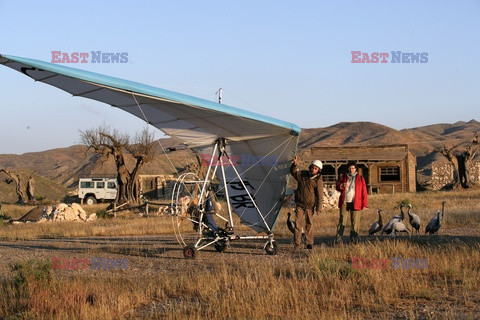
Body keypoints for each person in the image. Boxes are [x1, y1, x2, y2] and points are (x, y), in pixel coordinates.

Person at [290, 156, 323, 250]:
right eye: (312, 167)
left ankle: (309, 243)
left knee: (309, 224)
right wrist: (294, 164)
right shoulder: (303, 175)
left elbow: (320, 195)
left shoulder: (318, 180)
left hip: (310, 205)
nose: (313, 169)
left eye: (315, 168)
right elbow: (294, 173)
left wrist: (319, 208)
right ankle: (297, 243)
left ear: (319, 170)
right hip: (300, 204)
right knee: (297, 224)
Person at [335, 161, 368, 243]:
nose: (351, 170)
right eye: (350, 168)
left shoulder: (360, 178)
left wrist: (365, 204)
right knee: (342, 221)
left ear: (356, 169)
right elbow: (337, 186)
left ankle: (354, 240)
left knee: (355, 222)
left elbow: (364, 191)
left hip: (356, 202)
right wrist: (341, 186)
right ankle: (338, 239)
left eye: (353, 168)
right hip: (345, 202)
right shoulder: (343, 177)